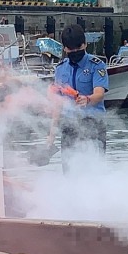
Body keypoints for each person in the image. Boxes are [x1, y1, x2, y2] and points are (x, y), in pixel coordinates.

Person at [48, 24, 109, 171]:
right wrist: (51, 136)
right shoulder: (60, 68)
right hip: (69, 125)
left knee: (94, 169)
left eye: (78, 48)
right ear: (65, 48)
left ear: (85, 44)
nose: (75, 52)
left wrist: (87, 99)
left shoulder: (97, 65)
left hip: (93, 123)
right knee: (69, 170)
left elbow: (99, 93)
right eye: (71, 49)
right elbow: (58, 103)